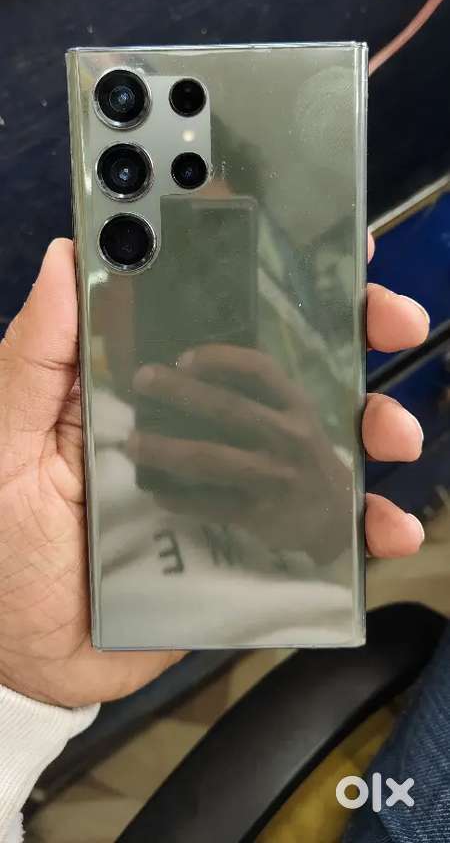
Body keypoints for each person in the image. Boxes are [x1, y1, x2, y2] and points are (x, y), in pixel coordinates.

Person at [0, 236, 429, 842]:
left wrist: (16, 683)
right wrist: (16, 675)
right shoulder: (75, 456)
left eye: (219, 274)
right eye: (155, 263)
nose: (195, 304)